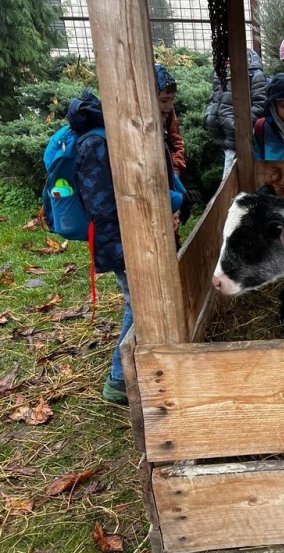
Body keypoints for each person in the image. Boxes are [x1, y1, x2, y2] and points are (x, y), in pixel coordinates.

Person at [67, 89, 185, 403]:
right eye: (160, 105)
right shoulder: (97, 143)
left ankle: (141, 367)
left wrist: (165, 209)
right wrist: (159, 210)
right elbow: (107, 206)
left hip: (137, 233)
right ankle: (118, 379)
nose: (165, 113)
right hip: (120, 240)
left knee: (141, 300)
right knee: (139, 303)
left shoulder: (122, 134)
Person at [203, 49, 269, 181]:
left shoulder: (254, 74)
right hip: (223, 137)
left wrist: (238, 125)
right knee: (229, 181)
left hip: (240, 139)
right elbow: (214, 98)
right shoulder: (220, 74)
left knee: (234, 181)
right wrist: (209, 117)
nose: (226, 61)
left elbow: (260, 105)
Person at [154, 63, 186, 176]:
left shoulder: (169, 114)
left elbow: (176, 140)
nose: (170, 106)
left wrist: (176, 166)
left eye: (172, 100)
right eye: (164, 100)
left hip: (169, 171)